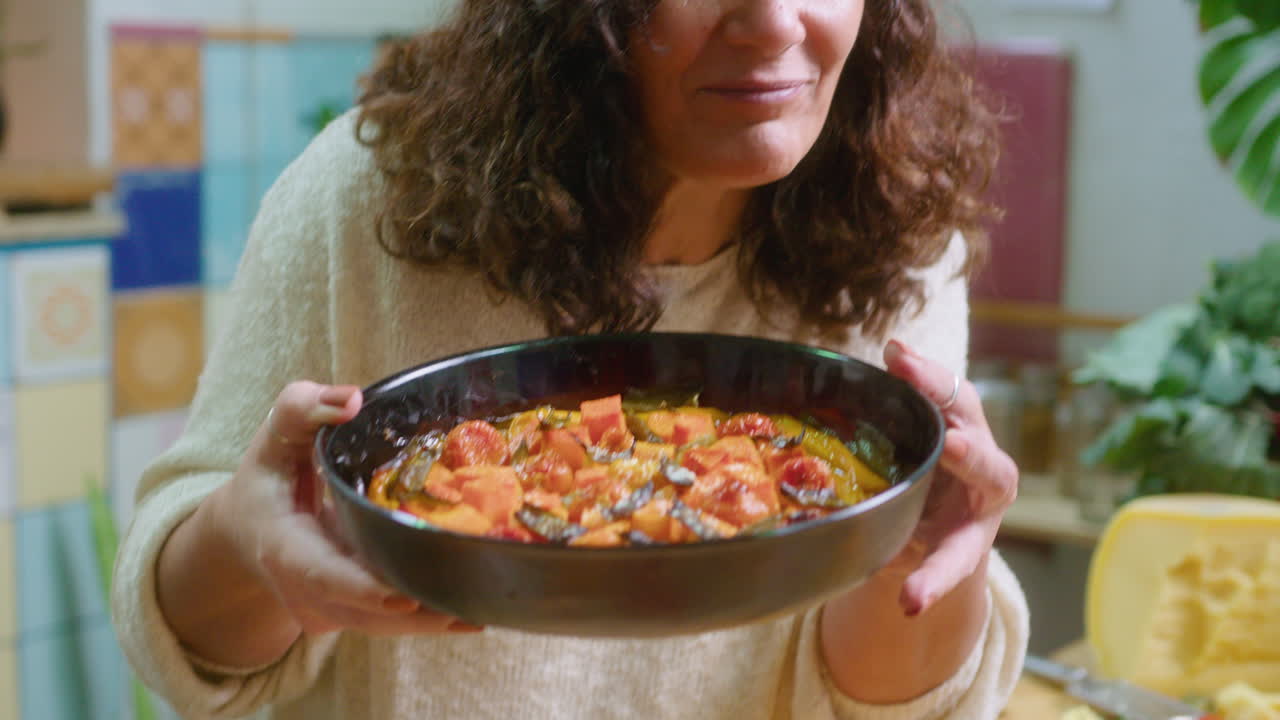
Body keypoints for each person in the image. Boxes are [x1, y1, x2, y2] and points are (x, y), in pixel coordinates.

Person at [112, 0, 1028, 718]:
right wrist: (246, 543)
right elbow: (187, 643)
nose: (775, 22)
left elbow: (886, 703)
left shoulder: (898, 229)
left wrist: (926, 555)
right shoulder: (363, 207)